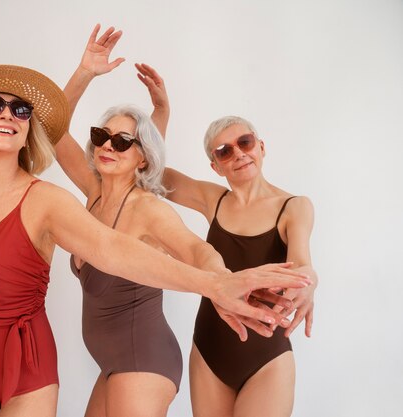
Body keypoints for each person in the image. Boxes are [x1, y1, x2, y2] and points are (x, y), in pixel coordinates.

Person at [0, 13, 311, 417]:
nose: (109, 146)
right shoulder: (81, 192)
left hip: (105, 362)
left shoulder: (67, 202)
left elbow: (136, 248)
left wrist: (218, 281)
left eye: (20, 109)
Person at [55, 26, 296, 417]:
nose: (107, 146)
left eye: (122, 142)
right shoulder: (94, 191)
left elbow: (196, 249)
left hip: (143, 362)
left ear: (143, 158)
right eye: (102, 135)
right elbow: (51, 127)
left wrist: (223, 284)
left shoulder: (149, 208)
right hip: (111, 365)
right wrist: (84, 72)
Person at [163, 116, 317, 417]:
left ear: (261, 147)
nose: (239, 154)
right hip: (209, 351)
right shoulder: (214, 200)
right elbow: (153, 172)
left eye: (245, 143)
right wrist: (162, 112)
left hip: (267, 359)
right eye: (224, 151)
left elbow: (301, 265)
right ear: (215, 166)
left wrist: (310, 277)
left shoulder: (294, 207)